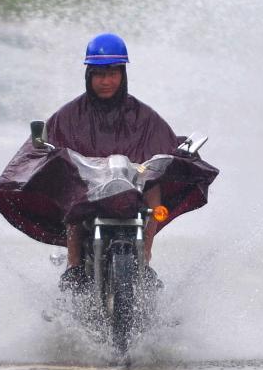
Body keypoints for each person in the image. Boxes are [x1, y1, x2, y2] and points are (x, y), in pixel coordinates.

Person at [45, 33, 179, 290]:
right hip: (89, 192)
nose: (105, 81)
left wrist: (179, 153)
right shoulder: (68, 116)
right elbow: (49, 146)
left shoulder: (144, 116)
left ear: (123, 74)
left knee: (155, 183)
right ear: (88, 76)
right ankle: (73, 264)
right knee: (68, 181)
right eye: (99, 74)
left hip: (131, 190)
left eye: (112, 73)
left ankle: (146, 257)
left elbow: (164, 146)